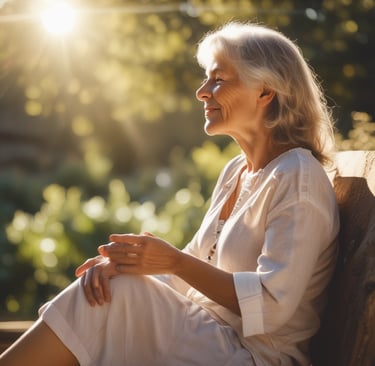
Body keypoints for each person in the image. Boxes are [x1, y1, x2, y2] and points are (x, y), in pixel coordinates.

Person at [0, 21, 339, 366]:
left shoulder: (297, 175)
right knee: (108, 290)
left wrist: (172, 260)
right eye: (207, 78)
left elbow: (271, 305)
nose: (202, 91)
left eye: (219, 80)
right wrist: (127, 266)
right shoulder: (236, 171)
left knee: (113, 298)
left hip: (255, 356)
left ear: (266, 92)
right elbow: (188, 270)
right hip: (210, 337)